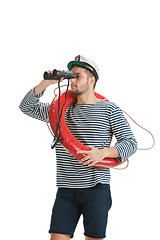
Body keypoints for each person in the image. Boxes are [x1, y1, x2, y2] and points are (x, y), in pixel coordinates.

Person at [19, 55, 137, 240]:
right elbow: (26, 107)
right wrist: (45, 84)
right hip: (66, 189)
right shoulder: (58, 111)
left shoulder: (109, 109)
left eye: (77, 76)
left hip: (96, 189)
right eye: (70, 76)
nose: (71, 80)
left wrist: (103, 153)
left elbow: (130, 143)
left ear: (91, 80)